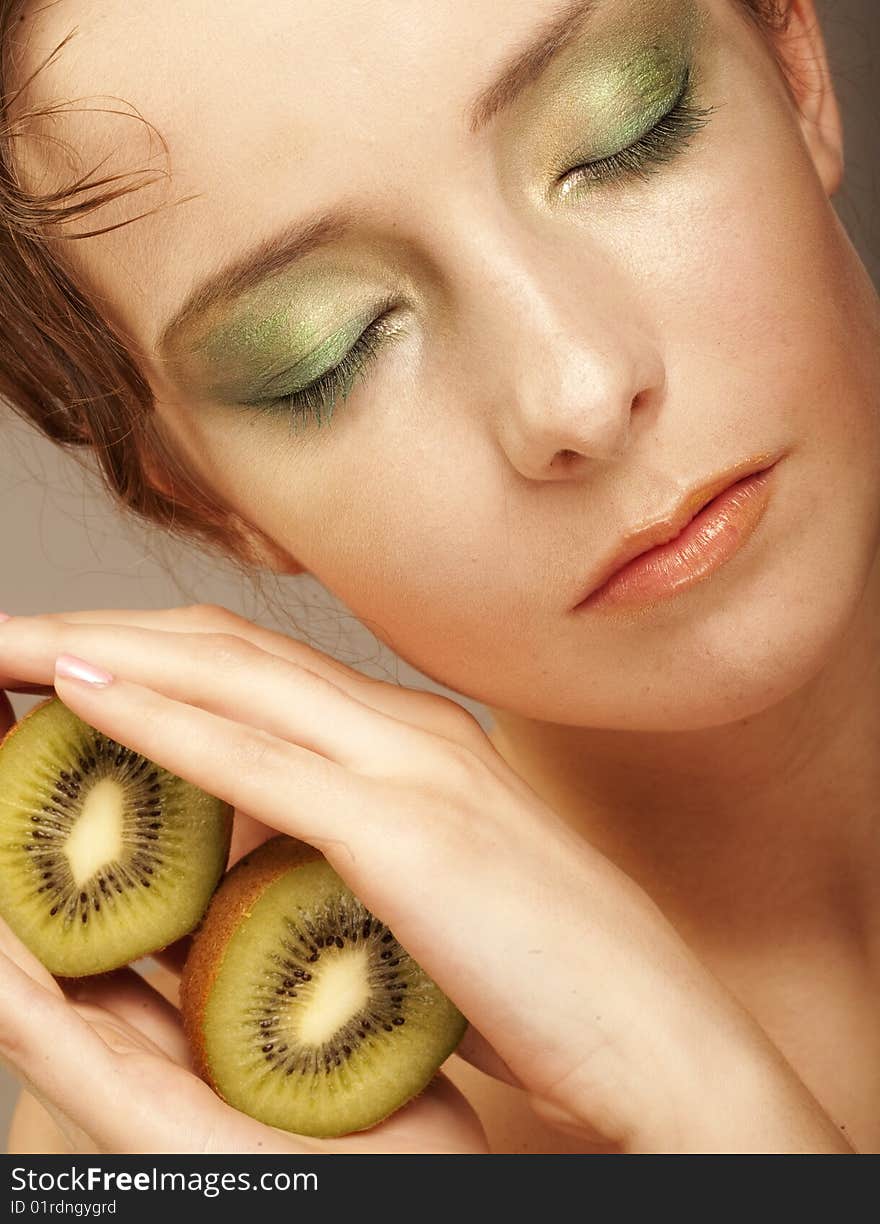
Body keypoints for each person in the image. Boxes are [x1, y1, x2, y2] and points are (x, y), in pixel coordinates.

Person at [0, 0, 876, 1154]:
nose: (574, 391)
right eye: (331, 347)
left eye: (624, 135)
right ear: (195, 494)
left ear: (793, 60)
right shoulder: (176, 1142)